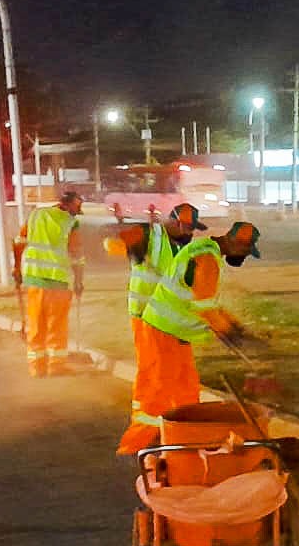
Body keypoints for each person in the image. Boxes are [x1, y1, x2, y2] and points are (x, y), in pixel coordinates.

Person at [119, 220, 262, 454]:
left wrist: (237, 328)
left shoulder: (205, 249)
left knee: (186, 389)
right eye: (246, 250)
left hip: (176, 332)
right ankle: (140, 443)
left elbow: (208, 303)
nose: (245, 256)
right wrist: (231, 335)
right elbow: (204, 307)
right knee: (158, 388)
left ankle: (183, 437)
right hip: (163, 329)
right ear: (236, 243)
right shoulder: (207, 258)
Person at [106, 202, 207, 451]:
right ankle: (141, 437)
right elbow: (111, 242)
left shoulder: (182, 247)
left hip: (173, 321)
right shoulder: (150, 234)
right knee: (155, 375)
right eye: (188, 228)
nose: (191, 233)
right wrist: (129, 246)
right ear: (176, 222)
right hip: (147, 318)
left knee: (184, 376)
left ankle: (186, 428)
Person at [14, 190, 85, 376]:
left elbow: (19, 242)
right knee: (57, 322)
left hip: (34, 277)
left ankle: (36, 366)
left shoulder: (36, 215)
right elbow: (76, 254)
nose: (76, 213)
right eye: (76, 209)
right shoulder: (70, 222)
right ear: (68, 205)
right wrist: (79, 280)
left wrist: (16, 269)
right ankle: (56, 364)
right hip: (58, 279)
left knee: (36, 321)